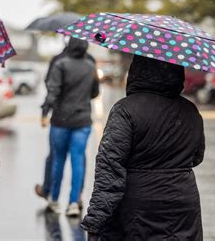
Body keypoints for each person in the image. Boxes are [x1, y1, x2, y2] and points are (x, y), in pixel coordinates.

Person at [82, 55, 205, 240]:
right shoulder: (191, 110)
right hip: (183, 205)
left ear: (138, 70)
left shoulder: (126, 110)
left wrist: (95, 221)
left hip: (139, 209)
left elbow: (109, 170)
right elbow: (197, 156)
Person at [40, 38, 99, 217]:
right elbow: (95, 92)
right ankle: (74, 202)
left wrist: (45, 112)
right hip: (82, 121)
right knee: (78, 160)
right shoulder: (91, 66)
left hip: (61, 120)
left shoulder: (61, 64)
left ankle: (55, 199)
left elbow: (53, 91)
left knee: (58, 160)